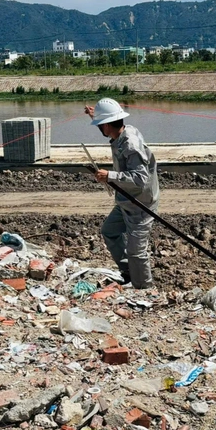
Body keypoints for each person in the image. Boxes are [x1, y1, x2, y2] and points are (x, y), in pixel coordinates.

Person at [85, 98, 159, 289]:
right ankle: (129, 273)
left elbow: (140, 178)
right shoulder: (121, 131)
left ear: (108, 124)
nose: (100, 128)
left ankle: (144, 289)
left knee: (136, 252)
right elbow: (110, 126)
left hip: (141, 204)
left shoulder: (130, 144)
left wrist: (110, 175)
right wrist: (97, 116)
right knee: (110, 231)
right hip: (126, 199)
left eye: (101, 124)